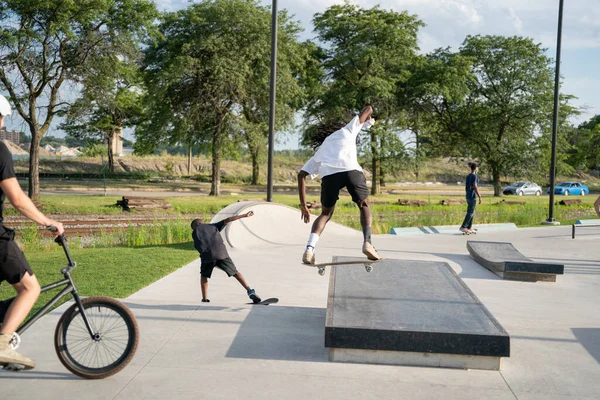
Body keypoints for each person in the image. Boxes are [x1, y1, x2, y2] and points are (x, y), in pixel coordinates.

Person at [0, 94, 64, 370]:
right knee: (29, 288)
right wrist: (48, 222)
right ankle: (2, 345)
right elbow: (17, 199)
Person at [297, 105, 380, 265]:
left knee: (325, 214)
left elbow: (301, 175)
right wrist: (367, 117)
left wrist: (303, 205)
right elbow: (368, 108)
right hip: (351, 171)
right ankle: (368, 243)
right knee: (364, 205)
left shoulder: (321, 150)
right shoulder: (347, 130)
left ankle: (309, 249)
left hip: (329, 176)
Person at [191, 211, 260, 304]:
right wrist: (244, 215)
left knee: (204, 276)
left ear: (195, 226)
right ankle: (250, 290)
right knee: (235, 273)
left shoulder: (195, 232)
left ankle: (205, 299)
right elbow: (228, 220)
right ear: (202, 222)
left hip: (207, 256)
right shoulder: (213, 226)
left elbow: (198, 245)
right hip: (221, 254)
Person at [459, 162, 482, 234]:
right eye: (478, 168)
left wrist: (467, 193)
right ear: (475, 168)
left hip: (468, 196)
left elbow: (466, 187)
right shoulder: (474, 176)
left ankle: (469, 227)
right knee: (470, 212)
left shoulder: (468, 176)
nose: (478, 169)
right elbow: (475, 186)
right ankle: (463, 226)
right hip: (472, 196)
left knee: (472, 212)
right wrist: (479, 196)